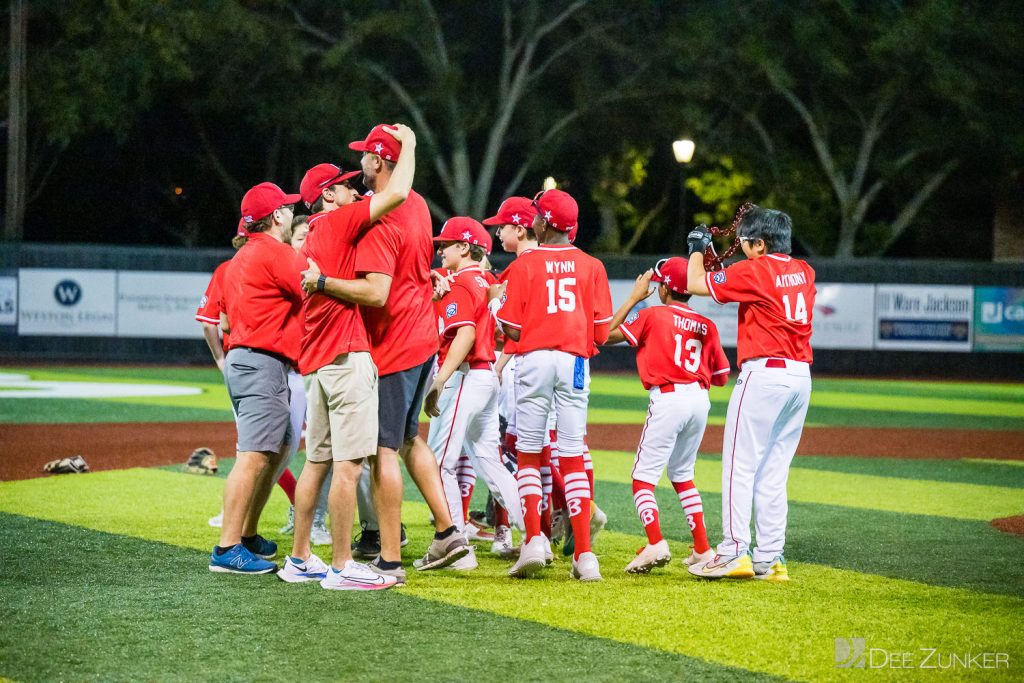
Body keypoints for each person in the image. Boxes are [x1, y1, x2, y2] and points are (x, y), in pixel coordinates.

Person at [301, 124, 469, 577]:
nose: (358, 167)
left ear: (378, 161)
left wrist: (321, 283)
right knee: (410, 439)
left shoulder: (379, 217)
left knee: (382, 452)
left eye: (364, 158)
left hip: (394, 342)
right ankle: (447, 531)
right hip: (422, 335)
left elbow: (376, 293)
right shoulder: (415, 204)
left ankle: (390, 558)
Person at [278, 140, 418, 590]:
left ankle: (299, 559)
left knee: (316, 464)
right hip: (344, 359)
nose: (354, 190)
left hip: (316, 366)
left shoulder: (307, 239)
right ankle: (341, 567)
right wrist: (411, 144)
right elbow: (398, 194)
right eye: (342, 187)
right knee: (350, 467)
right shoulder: (338, 222)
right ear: (327, 196)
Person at [684, 206, 815, 581]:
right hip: (800, 377)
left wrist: (696, 247)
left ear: (760, 244)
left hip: (764, 375)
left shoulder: (756, 269)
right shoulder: (804, 271)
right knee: (773, 471)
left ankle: (733, 550)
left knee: (739, 466)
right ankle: (771, 558)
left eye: (744, 241)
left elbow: (695, 282)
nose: (739, 246)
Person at [496, 189, 612, 581]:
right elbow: (600, 333)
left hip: (533, 359)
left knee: (529, 453)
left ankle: (533, 540)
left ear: (542, 223)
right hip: (575, 361)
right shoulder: (592, 265)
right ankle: (584, 555)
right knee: (573, 455)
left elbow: (511, 327)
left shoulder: (526, 265)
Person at [604, 257, 729, 574]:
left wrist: (633, 298)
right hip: (700, 400)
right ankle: (702, 549)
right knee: (683, 474)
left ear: (662, 289)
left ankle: (656, 542)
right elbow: (722, 376)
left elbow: (604, 335)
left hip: (669, 397)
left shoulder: (652, 314)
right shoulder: (707, 324)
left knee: (642, 480)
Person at [208, 182, 304, 575]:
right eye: (286, 209)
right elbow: (314, 289)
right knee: (251, 458)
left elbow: (227, 317)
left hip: (252, 359)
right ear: (277, 216)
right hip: (261, 361)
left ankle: (245, 535)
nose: (289, 213)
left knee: (272, 453)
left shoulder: (244, 255)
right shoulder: (274, 252)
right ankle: (227, 548)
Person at [422, 217, 524, 570]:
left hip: (464, 375)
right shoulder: (489, 281)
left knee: (437, 465)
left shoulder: (462, 284)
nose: (440, 251)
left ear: (465, 248)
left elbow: (463, 334)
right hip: (487, 375)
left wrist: (439, 380)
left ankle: (455, 546)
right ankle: (534, 534)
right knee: (490, 462)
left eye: (445, 245)